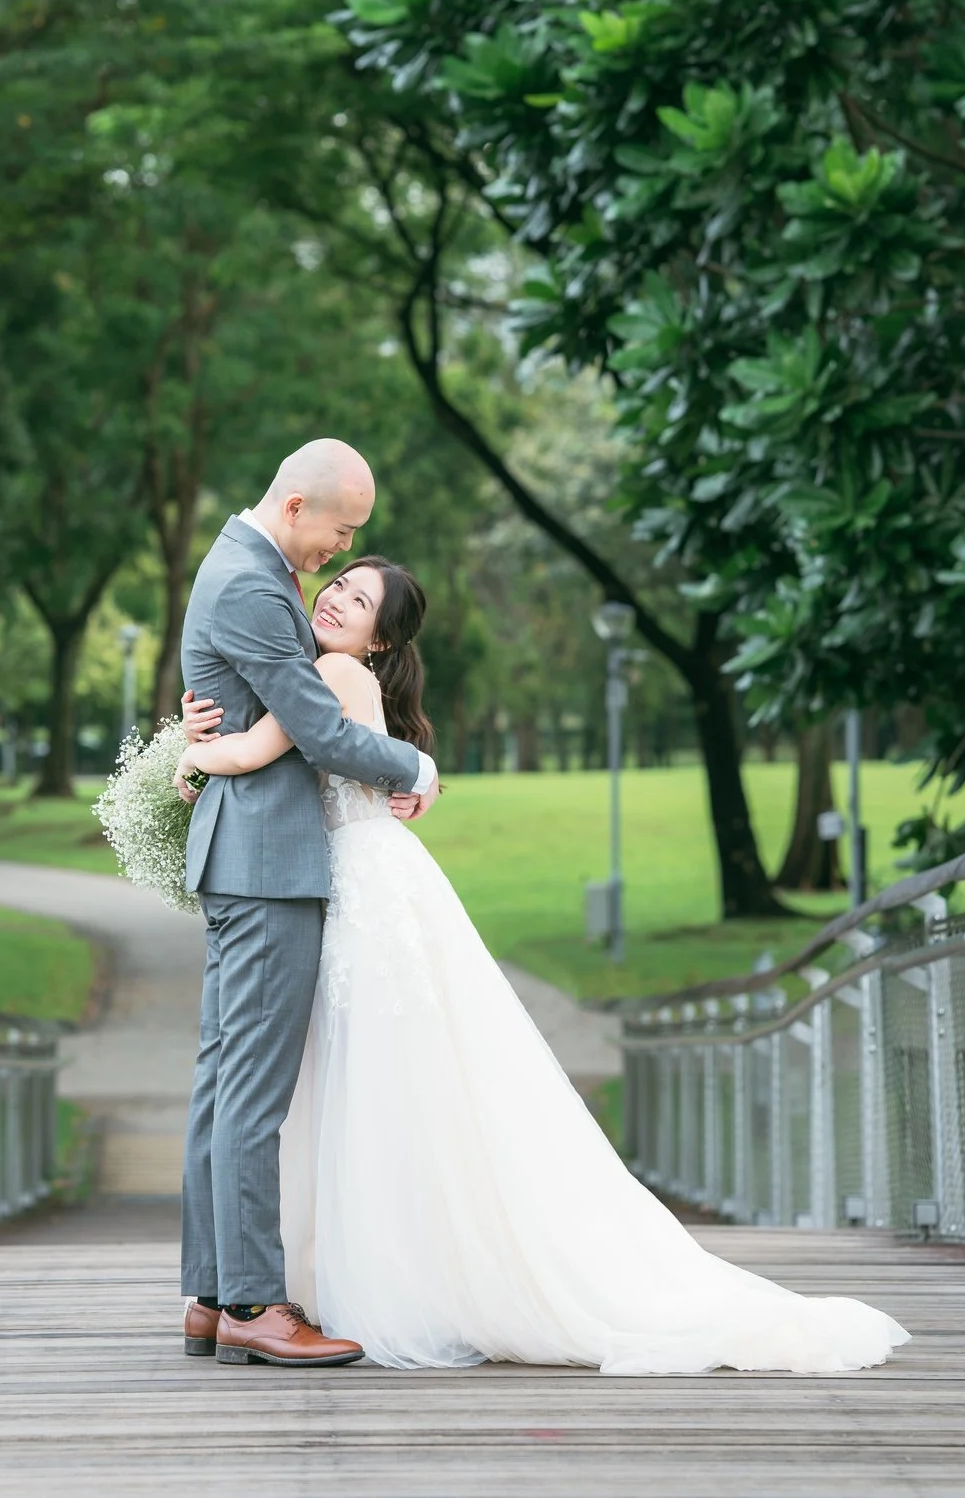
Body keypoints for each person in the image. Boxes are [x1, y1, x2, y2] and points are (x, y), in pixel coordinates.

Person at [176, 553, 911, 1374]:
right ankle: (310, 1279)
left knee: (370, 1082)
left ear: (379, 640)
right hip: (348, 881)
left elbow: (258, 751)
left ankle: (339, 1281)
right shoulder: (320, 670)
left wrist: (189, 752)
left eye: (359, 599)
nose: (337, 597)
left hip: (359, 889)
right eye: (338, 583)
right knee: (365, 1081)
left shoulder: (336, 674)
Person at [174, 439, 439, 1367]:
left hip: (253, 859)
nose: (342, 547)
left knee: (222, 1082)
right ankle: (250, 1300)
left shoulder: (247, 567)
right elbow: (320, 731)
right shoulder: (252, 583)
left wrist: (193, 746)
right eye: (342, 528)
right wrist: (417, 764)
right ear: (296, 506)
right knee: (251, 1091)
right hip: (268, 864)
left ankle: (212, 1293)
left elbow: (252, 716)